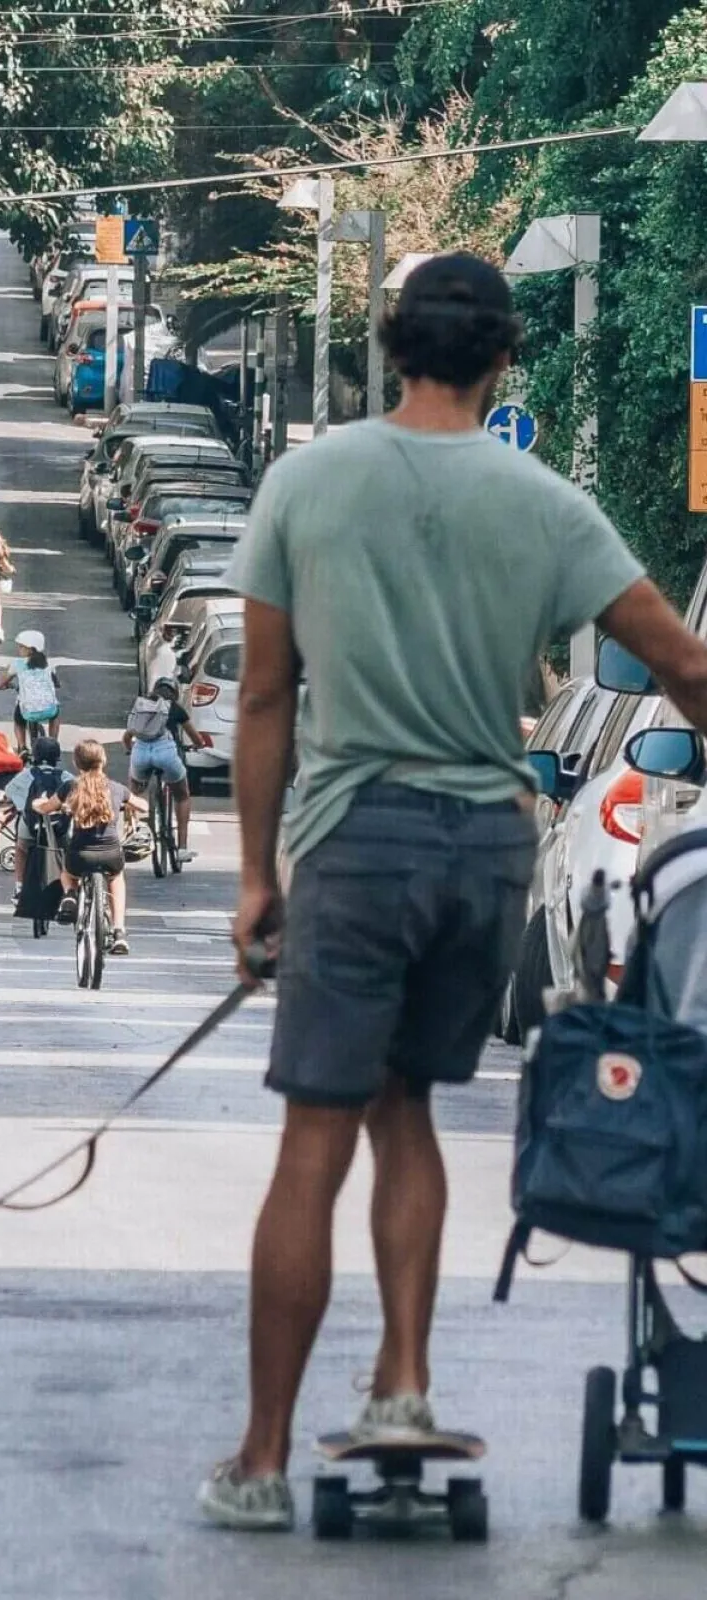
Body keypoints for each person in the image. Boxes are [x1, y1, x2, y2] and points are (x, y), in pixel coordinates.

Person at [198, 249, 707, 1532]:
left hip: (353, 840)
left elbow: (263, 695)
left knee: (314, 1137)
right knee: (407, 1107)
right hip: (485, 845)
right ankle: (403, 1386)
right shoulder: (542, 500)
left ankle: (259, 1457)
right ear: (502, 360)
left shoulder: (305, 482)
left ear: (387, 345)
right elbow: (684, 663)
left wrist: (258, 876)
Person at [32, 738, 146, 955]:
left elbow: (46, 808)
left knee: (67, 873)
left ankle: (70, 895)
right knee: (117, 878)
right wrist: (128, 805)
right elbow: (142, 805)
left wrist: (37, 804)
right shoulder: (116, 788)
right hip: (111, 853)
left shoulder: (70, 787)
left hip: (80, 855)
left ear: (76, 764)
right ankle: (119, 931)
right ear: (103, 761)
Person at [123, 674, 210, 865]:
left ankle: (132, 834)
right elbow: (195, 737)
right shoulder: (174, 708)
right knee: (182, 795)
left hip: (141, 753)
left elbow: (127, 737)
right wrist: (199, 745)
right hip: (167, 753)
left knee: (133, 793)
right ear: (175, 693)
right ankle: (182, 848)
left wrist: (130, 750)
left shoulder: (141, 706)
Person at [3, 735, 70, 903]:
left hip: (32, 827)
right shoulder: (66, 776)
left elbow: (9, 793)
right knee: (68, 851)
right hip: (59, 829)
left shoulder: (26, 775)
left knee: (21, 848)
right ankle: (69, 890)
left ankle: (19, 888)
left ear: (35, 756)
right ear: (57, 757)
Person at [0, 630, 61, 754]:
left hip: (28, 711)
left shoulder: (17, 664)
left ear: (30, 649)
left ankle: (22, 747)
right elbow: (56, 682)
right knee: (55, 715)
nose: (19, 649)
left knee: (18, 719)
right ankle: (53, 742)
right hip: (49, 710)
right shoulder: (49, 664)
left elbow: (1, 682)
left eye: (21, 647)